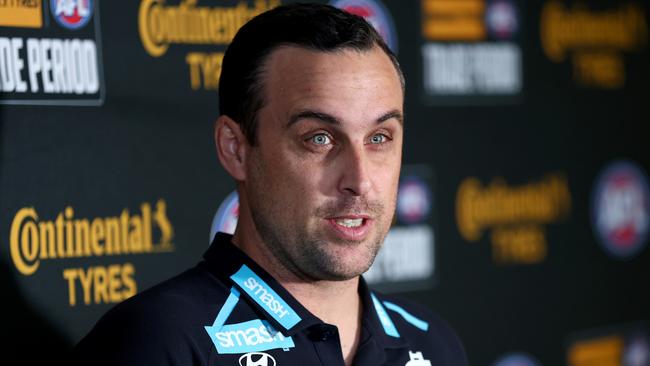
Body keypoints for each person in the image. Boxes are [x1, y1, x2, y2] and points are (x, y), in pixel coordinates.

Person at [72, 3, 467, 366]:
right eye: (320, 138)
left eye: (379, 138)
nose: (360, 180)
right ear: (236, 149)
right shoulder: (159, 342)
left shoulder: (432, 344)